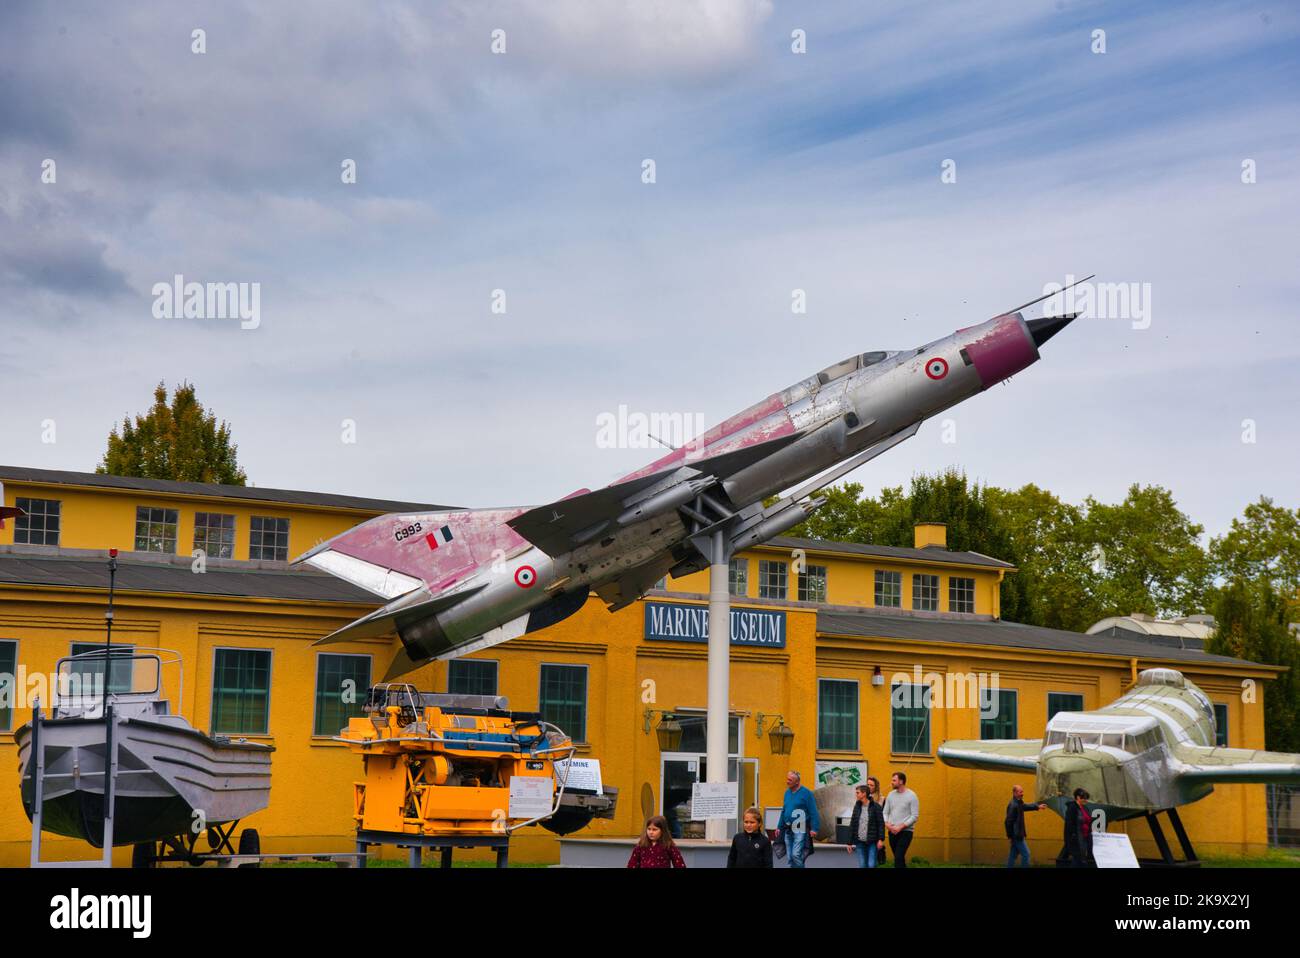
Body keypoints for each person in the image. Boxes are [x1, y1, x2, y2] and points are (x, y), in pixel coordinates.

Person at [777, 770, 820, 868]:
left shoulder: (807, 793)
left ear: (797, 782)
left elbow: (813, 811)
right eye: (787, 779)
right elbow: (784, 811)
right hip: (787, 828)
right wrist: (779, 827)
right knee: (790, 858)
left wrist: (814, 828)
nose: (787, 781)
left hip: (800, 828)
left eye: (790, 780)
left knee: (795, 854)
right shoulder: (787, 793)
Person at [1004, 784, 1046, 867]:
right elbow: (1008, 822)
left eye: (1022, 791)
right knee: (1026, 854)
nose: (1022, 793)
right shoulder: (1013, 805)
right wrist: (1010, 836)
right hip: (1017, 835)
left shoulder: (1018, 803)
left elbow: (1025, 806)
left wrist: (1037, 806)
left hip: (1017, 834)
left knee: (1013, 855)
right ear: (1015, 793)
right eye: (1020, 792)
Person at [882, 771, 918, 868]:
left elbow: (914, 816)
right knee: (899, 858)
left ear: (901, 781)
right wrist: (887, 824)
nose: (891, 782)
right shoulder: (890, 795)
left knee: (898, 857)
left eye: (894, 780)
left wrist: (900, 827)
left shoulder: (912, 796)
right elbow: (885, 812)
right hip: (892, 831)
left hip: (906, 832)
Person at [846, 783, 885, 867]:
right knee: (862, 865)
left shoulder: (876, 806)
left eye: (858, 792)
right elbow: (852, 824)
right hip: (859, 841)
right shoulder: (857, 807)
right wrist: (849, 842)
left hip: (872, 841)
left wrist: (881, 839)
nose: (856, 794)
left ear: (864, 794)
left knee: (871, 865)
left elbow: (881, 824)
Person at [1062, 787, 1093, 868]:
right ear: (1078, 797)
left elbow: (1089, 821)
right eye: (1084, 798)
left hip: (1085, 837)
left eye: (1087, 798)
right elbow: (1069, 824)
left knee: (1080, 860)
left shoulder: (1085, 808)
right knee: (1079, 860)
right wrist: (1073, 837)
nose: (1086, 800)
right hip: (1076, 839)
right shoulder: (1072, 808)